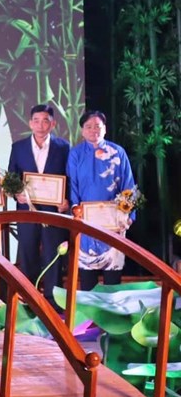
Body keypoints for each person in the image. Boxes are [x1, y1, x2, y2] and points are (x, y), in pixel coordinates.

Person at [7, 104, 71, 309]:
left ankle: (53, 302)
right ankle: (29, 300)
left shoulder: (63, 147)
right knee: (27, 253)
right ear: (30, 123)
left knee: (54, 256)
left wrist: (67, 200)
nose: (40, 125)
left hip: (54, 211)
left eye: (45, 120)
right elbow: (12, 176)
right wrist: (17, 194)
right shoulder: (19, 147)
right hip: (27, 211)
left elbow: (69, 178)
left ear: (52, 124)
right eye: (36, 120)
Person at [67, 110, 137, 290]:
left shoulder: (118, 152)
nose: (93, 130)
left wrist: (128, 215)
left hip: (114, 223)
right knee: (87, 279)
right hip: (85, 222)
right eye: (88, 127)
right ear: (82, 131)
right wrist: (75, 211)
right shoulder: (75, 154)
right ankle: (90, 317)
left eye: (97, 126)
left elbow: (129, 186)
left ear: (105, 129)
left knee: (113, 278)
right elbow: (72, 186)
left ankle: (112, 315)